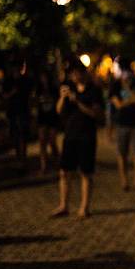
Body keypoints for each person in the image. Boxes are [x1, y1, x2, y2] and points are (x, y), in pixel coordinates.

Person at [51, 62, 104, 219]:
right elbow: (59, 111)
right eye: (71, 74)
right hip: (70, 135)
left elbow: (96, 114)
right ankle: (63, 205)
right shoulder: (69, 88)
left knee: (85, 173)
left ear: (83, 73)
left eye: (76, 73)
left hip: (87, 136)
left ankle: (84, 207)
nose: (73, 76)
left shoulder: (94, 91)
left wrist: (78, 102)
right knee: (64, 172)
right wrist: (62, 97)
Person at [110, 71, 135, 191]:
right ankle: (124, 181)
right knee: (122, 154)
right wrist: (132, 100)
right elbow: (118, 105)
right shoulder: (115, 86)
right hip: (121, 124)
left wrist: (128, 90)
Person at [1, 62, 33, 163]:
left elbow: (29, 97)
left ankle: (23, 157)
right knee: (15, 135)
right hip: (13, 111)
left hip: (23, 111)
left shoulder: (25, 81)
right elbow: (4, 96)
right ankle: (18, 156)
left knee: (23, 134)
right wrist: (12, 93)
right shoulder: (8, 81)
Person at [35, 70, 60, 175]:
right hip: (42, 118)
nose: (43, 79)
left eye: (45, 77)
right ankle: (44, 166)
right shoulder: (38, 90)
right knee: (42, 143)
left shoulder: (54, 89)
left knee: (52, 141)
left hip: (52, 117)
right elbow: (35, 102)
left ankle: (58, 163)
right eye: (42, 77)